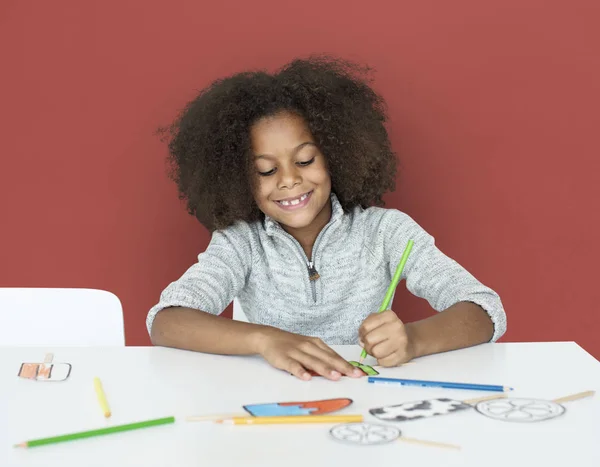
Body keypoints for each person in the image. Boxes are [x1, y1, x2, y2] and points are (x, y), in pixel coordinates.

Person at [146, 55, 506, 381]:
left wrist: (413, 340)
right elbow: (166, 321)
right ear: (240, 179)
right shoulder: (240, 242)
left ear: (336, 154)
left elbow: (485, 310)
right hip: (271, 411)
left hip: (363, 401)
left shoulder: (385, 231)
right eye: (267, 170)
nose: (289, 179)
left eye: (305, 161)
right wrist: (265, 339)